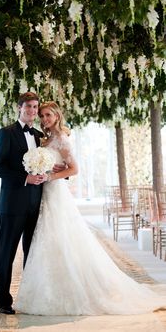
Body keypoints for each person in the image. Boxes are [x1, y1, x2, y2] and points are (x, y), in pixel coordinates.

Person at [15, 101, 166, 316]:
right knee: (49, 240)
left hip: (56, 194)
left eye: (48, 115)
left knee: (62, 238)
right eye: (42, 116)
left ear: (57, 116)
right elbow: (53, 164)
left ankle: (73, 291)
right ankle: (51, 289)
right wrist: (46, 168)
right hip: (43, 194)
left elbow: (74, 169)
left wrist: (51, 175)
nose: (44, 119)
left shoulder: (62, 140)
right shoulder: (44, 139)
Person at [0, 92, 46, 315]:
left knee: (32, 253)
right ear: (19, 108)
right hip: (13, 204)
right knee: (7, 252)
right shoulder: (7, 133)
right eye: (28, 107)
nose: (32, 111)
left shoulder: (40, 135)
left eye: (35, 107)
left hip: (36, 203)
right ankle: (3, 301)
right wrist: (25, 178)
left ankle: (29, 297)